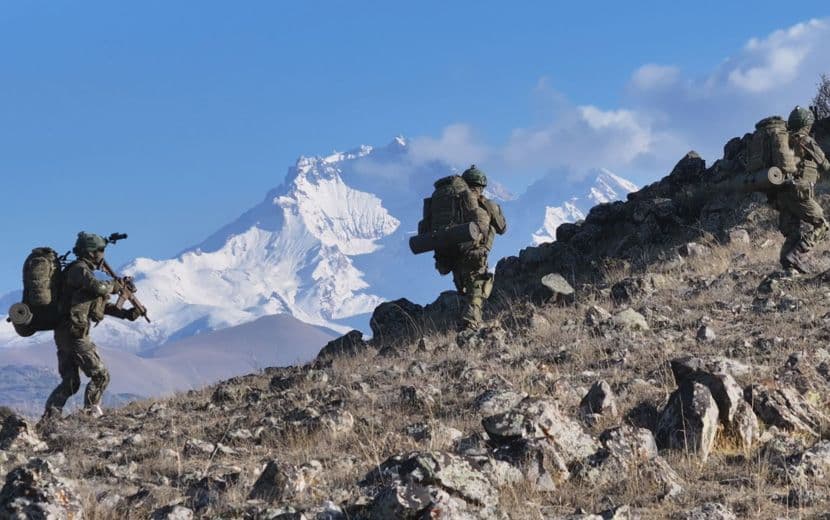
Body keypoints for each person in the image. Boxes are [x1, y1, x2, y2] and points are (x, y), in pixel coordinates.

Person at [41, 232, 142, 421]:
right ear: (90, 252)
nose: (102, 254)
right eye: (100, 251)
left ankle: (49, 420)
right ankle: (90, 415)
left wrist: (127, 314)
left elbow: (96, 305)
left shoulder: (82, 272)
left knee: (71, 382)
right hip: (74, 334)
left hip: (66, 333)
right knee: (101, 375)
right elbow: (98, 288)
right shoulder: (79, 270)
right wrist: (116, 285)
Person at [433, 165, 507, 332]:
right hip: (474, 253)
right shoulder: (483, 203)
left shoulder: (453, 202)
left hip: (450, 253)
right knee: (477, 287)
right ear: (481, 186)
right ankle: (471, 326)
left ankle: (462, 324)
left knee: (464, 289)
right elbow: (502, 228)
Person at [774, 106, 830, 273]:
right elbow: (825, 164)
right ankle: (797, 254)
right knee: (822, 225)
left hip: (781, 194)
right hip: (798, 193)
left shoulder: (782, 142)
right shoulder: (805, 140)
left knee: (793, 233)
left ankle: (788, 265)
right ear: (806, 123)